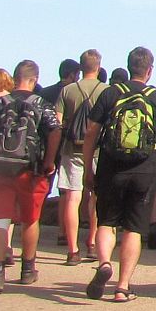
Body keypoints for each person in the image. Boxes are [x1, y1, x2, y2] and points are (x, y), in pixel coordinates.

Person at [79, 46, 156, 302]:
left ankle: (104, 263)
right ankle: (122, 287)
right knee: (133, 229)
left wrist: (88, 166)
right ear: (149, 70)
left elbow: (91, 133)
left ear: (128, 65)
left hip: (111, 167)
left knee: (107, 222)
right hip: (145, 170)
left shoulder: (111, 93)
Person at [0, 60, 61, 294]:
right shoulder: (40, 103)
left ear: (15, 79)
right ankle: (27, 269)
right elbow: (55, 129)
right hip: (30, 170)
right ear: (34, 80)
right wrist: (49, 161)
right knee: (30, 220)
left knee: (0, 221)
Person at [55, 50, 107, 264]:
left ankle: (72, 250)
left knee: (72, 198)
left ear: (80, 67)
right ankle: (92, 243)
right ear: (98, 67)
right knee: (96, 197)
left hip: (72, 149)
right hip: (98, 151)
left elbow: (58, 122)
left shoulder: (67, 91)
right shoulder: (107, 91)